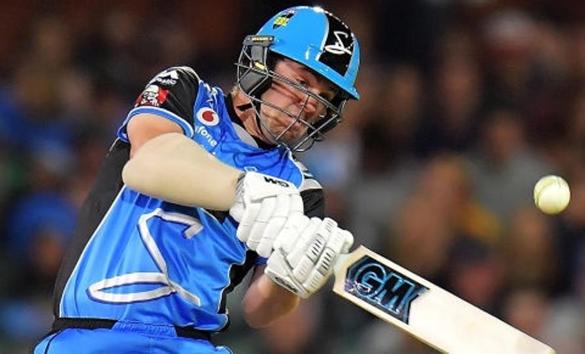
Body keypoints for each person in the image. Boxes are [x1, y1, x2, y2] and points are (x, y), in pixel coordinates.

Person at [34, 6, 360, 354]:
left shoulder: (302, 189)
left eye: (325, 98)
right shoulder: (186, 92)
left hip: (192, 344)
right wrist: (242, 189)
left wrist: (288, 280)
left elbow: (259, 311)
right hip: (92, 336)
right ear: (262, 60)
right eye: (301, 82)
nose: (309, 105)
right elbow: (146, 162)